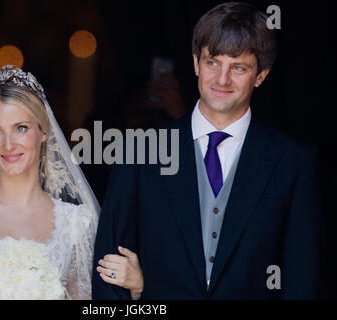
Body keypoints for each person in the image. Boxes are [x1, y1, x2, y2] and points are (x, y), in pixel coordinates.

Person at [92, 2, 325, 299]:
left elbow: (301, 282)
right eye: (213, 62)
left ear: (261, 75)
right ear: (196, 63)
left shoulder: (294, 163)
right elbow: (108, 273)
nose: (222, 80)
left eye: (238, 67)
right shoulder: (139, 151)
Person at [0, 65, 142, 299]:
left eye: (20, 128)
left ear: (43, 131)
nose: (8, 144)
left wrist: (135, 290)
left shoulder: (76, 225)